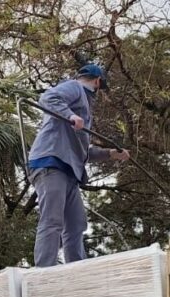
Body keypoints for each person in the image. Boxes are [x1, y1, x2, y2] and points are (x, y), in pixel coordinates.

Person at [28, 64, 131, 267]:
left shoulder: (84, 109)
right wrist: (71, 115)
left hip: (69, 170)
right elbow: (48, 98)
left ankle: (77, 269)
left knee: (76, 224)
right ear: (97, 82)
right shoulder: (75, 88)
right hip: (51, 163)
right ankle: (44, 271)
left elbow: (82, 152)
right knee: (52, 220)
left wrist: (110, 154)